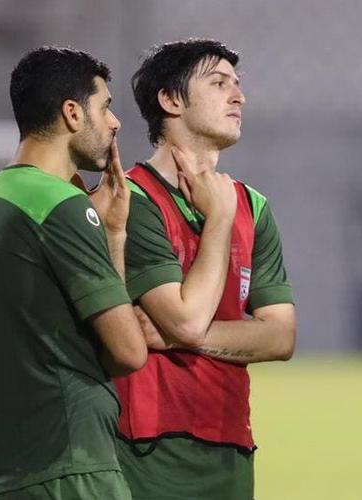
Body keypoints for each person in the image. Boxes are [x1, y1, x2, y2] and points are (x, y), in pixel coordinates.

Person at [113, 39, 297, 500]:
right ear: (170, 100)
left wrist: (174, 337)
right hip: (145, 451)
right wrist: (219, 219)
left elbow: (280, 338)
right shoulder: (129, 200)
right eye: (218, 84)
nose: (239, 96)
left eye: (237, 84)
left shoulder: (253, 206)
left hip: (230, 448)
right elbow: (187, 320)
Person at [0, 47, 147, 499]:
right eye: (105, 107)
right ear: (72, 113)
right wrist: (112, 236)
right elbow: (128, 351)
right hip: (69, 465)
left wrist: (112, 232)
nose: (115, 122)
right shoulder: (62, 206)